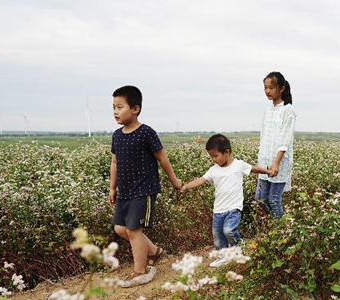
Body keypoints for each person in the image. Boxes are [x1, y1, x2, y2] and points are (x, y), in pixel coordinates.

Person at [109, 85, 183, 288]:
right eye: (113, 107)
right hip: (124, 191)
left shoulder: (146, 133)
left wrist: (174, 180)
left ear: (135, 109)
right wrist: (112, 188)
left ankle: (140, 271)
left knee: (133, 230)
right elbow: (114, 162)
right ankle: (155, 252)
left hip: (143, 189)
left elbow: (162, 158)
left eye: (120, 107)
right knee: (120, 228)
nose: (115, 111)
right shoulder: (117, 135)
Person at [180, 134, 272, 267]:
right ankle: (224, 256)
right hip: (218, 210)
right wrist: (186, 187)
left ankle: (240, 247)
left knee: (228, 230)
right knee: (218, 237)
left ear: (227, 152)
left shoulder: (239, 165)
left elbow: (253, 169)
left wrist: (267, 172)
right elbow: (201, 179)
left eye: (215, 156)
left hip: (234, 208)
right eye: (211, 156)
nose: (213, 159)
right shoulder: (213, 170)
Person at [255, 71, 296, 218]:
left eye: (271, 88)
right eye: (265, 88)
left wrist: (276, 163)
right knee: (259, 200)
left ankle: (279, 234)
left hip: (279, 163)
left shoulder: (288, 110)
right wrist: (260, 165)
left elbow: (285, 139)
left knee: (273, 200)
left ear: (282, 88)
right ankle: (267, 231)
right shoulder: (267, 111)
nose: (267, 91)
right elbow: (263, 138)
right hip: (264, 163)